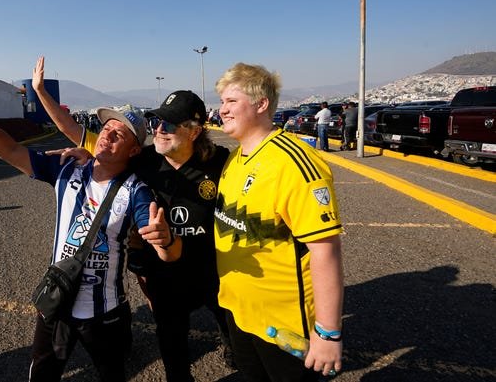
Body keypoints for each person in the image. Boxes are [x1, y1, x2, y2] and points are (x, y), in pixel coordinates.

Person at [0, 76, 181, 382]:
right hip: (56, 302)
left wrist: (165, 240)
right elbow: (8, 149)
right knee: (43, 374)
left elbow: (166, 253)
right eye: (106, 129)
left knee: (112, 375)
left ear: (132, 151)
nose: (107, 136)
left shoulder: (136, 191)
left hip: (106, 313)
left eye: (120, 135)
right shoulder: (66, 169)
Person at [31, 56, 234, 382]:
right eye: (157, 123)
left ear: (195, 131)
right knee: (172, 346)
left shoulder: (221, 160)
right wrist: (41, 93)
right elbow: (81, 135)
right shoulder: (146, 161)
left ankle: (230, 346)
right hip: (164, 270)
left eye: (168, 125)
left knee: (227, 321)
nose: (159, 130)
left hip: (212, 266)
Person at [214, 63, 344, 381]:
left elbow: (325, 251)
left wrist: (328, 334)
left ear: (262, 104)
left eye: (231, 101)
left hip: (283, 325)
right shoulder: (235, 157)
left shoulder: (294, 163)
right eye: (221, 102)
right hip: (239, 313)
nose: (222, 110)